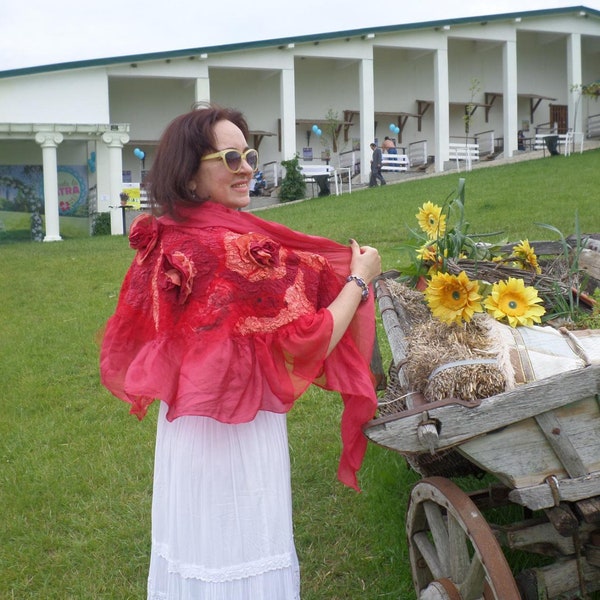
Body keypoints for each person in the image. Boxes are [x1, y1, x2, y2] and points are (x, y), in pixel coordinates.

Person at [99, 103, 382, 600]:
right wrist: (358, 280)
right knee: (241, 550)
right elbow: (309, 337)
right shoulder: (228, 249)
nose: (248, 166)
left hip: (187, 428)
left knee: (196, 549)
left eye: (249, 154)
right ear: (189, 173)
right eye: (230, 158)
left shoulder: (169, 234)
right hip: (239, 432)